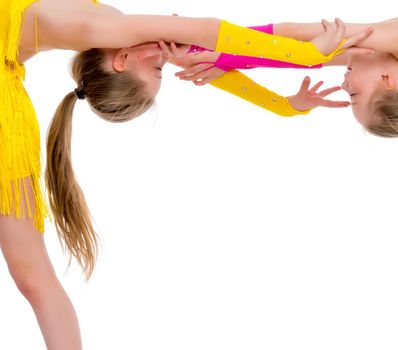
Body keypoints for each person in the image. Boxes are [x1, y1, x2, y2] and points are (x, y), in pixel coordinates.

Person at [1, 0, 368, 348]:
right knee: (33, 276)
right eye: (161, 68)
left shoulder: (102, 26)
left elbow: (210, 33)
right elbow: (217, 43)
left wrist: (307, 58)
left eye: (157, 69)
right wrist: (286, 101)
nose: (167, 61)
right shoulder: (103, 26)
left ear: (121, 60)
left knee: (33, 274)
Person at [171, 1, 398, 348]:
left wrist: (218, 57)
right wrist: (214, 53)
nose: (343, 85)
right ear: (387, 80)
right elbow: (297, 40)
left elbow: (308, 53)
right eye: (355, 93)